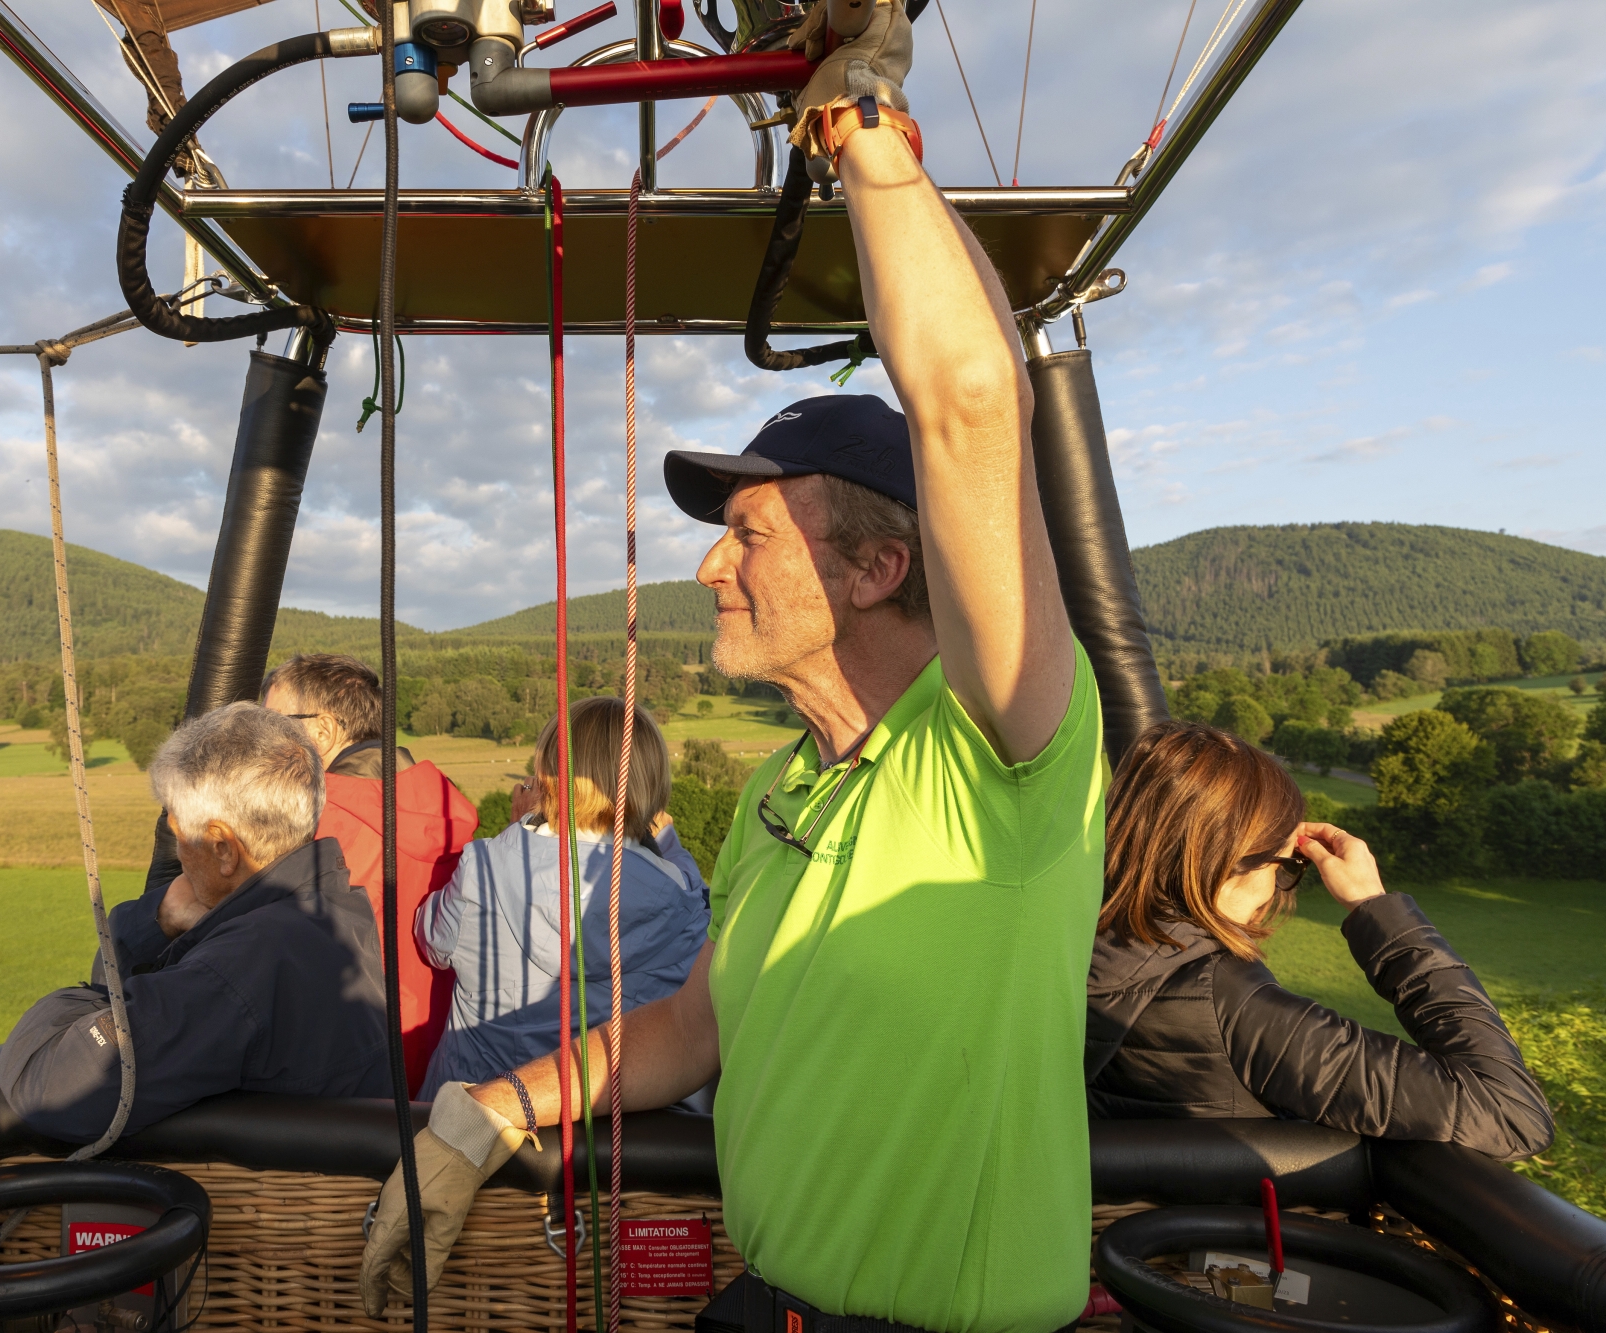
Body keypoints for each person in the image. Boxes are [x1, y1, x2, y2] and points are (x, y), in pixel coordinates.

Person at [360, 6, 1109, 1329]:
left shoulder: (1002, 748)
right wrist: (490, 1108)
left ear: (878, 569)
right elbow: (694, 1031)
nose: (710, 569)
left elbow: (973, 403)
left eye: (749, 535)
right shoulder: (781, 792)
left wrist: (863, 133)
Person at [1085, 720, 1553, 1160]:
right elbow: (1511, 1113)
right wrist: (1376, 908)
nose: (1277, 889)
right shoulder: (1228, 1003)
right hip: (1244, 1237)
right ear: (1229, 865)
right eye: (1285, 865)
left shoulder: (1073, 947)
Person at [0, 702, 392, 1140]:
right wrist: (162, 918)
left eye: (179, 833)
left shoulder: (239, 970)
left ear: (223, 847)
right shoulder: (336, 908)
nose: (180, 856)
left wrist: (80, 1000)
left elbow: (48, 1084)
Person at [415, 695, 710, 1097]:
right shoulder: (683, 903)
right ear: (651, 782)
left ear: (548, 778)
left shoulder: (483, 868)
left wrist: (515, 831)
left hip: (479, 1117)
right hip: (619, 1133)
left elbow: (431, 938)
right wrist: (668, 844)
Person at [263, 652, 481, 1093]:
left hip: (347, 1065)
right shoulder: (442, 809)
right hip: (440, 1053)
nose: (260, 744)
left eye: (270, 727)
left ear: (321, 731)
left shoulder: (314, 824)